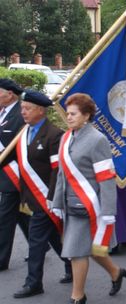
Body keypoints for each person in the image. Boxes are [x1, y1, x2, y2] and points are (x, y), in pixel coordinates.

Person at [52, 93, 126, 304]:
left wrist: (108, 211)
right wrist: (57, 203)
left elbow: (106, 178)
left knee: (77, 251)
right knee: (93, 248)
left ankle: (78, 296)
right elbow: (62, 174)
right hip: (70, 204)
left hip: (89, 207)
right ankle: (115, 272)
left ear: (86, 115)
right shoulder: (67, 137)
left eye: (73, 114)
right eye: (67, 113)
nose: (68, 117)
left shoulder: (98, 140)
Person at [10, 90, 72, 299]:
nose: (23, 112)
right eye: (22, 108)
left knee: (37, 239)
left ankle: (33, 282)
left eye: (27, 108)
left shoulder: (54, 135)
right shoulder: (23, 132)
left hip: (47, 196)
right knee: (54, 236)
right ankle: (71, 264)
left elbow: (57, 170)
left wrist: (52, 197)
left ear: (40, 110)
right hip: (31, 196)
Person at [0, 79, 30, 272]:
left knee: (4, 216)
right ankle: (44, 244)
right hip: (4, 172)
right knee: (20, 214)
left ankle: (1, 260)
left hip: (14, 173)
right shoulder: (2, 112)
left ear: (10, 94)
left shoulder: (22, 113)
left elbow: (20, 145)